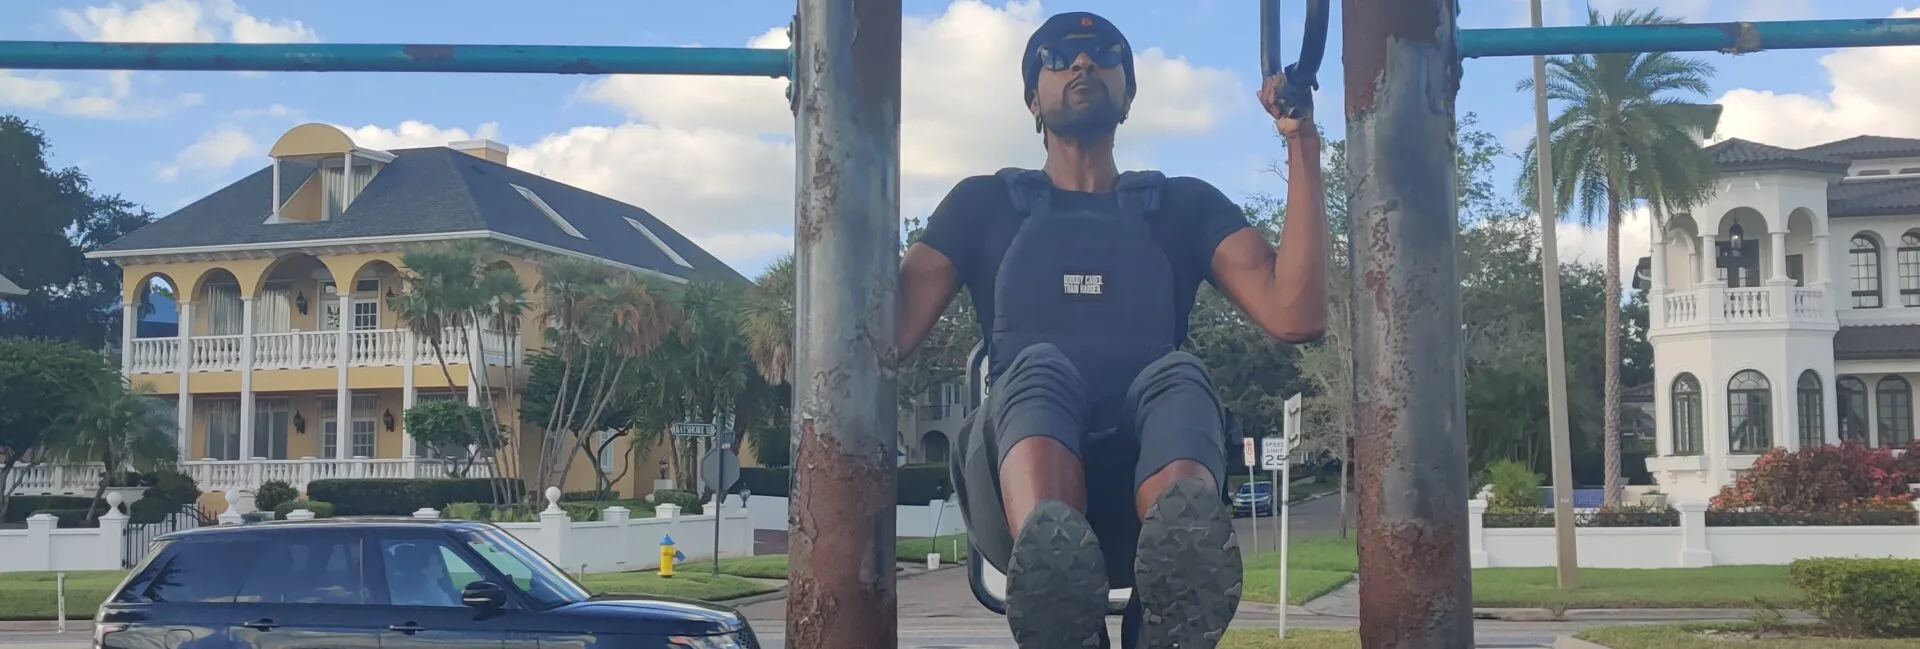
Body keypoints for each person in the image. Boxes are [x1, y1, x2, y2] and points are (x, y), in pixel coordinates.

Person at [897, 10, 1329, 649]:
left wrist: (1302, 143)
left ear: (1128, 95)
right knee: (1037, 369)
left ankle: (1169, 597)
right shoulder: (981, 205)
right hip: (1015, 490)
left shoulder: (1181, 206)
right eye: (1056, 56)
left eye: (1103, 54)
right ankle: (1054, 569)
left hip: (1139, 502)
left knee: (1178, 375)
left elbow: (1296, 314)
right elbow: (883, 334)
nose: (1080, 64)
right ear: (1030, 100)